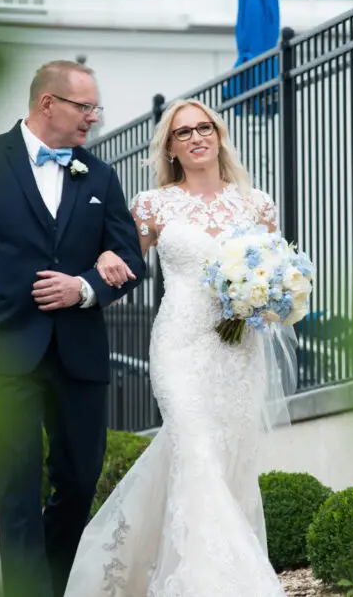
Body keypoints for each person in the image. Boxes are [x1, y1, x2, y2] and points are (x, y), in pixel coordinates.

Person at [0, 60, 147, 597]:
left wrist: (85, 286)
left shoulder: (100, 175)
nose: (93, 117)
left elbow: (131, 259)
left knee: (79, 480)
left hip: (80, 352)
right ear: (48, 104)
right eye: (84, 107)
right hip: (4, 350)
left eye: (95, 108)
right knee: (18, 484)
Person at [62, 99, 295, 596]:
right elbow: (123, 256)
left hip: (239, 353)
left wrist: (266, 299)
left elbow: (278, 274)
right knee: (196, 452)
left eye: (203, 127)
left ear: (218, 134)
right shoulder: (154, 205)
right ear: (170, 146)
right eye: (183, 132)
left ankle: (152, 570)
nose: (196, 138)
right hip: (179, 347)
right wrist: (103, 258)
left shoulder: (257, 204)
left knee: (227, 464)